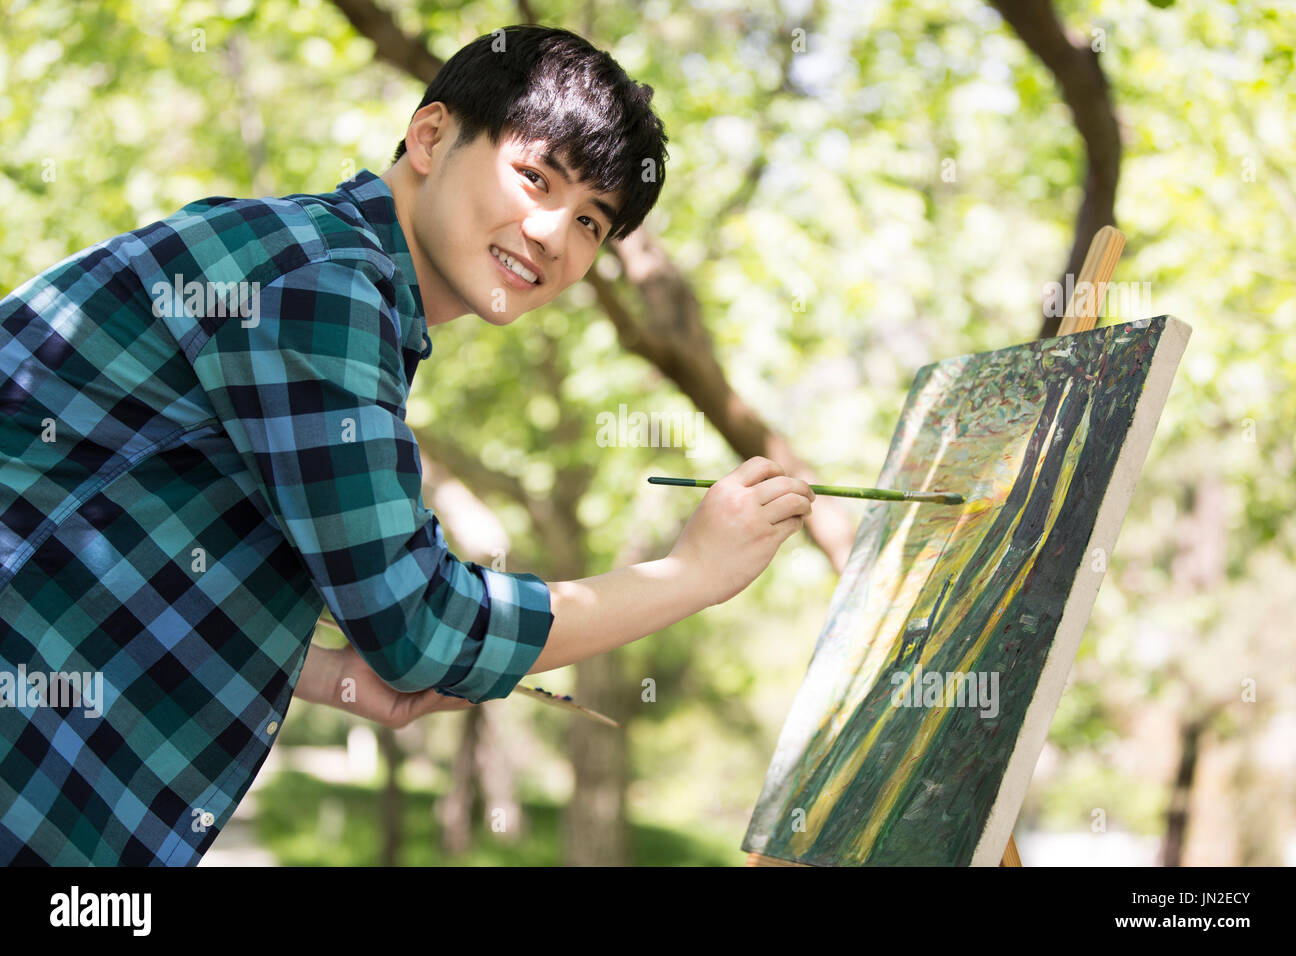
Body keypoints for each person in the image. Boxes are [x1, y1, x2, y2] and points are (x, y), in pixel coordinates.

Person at [0, 24, 814, 865]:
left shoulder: (314, 263)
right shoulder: (319, 286)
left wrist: (315, 671)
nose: (551, 235)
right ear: (430, 137)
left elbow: (140, 518)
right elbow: (421, 625)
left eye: (590, 224)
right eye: (534, 178)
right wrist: (693, 575)